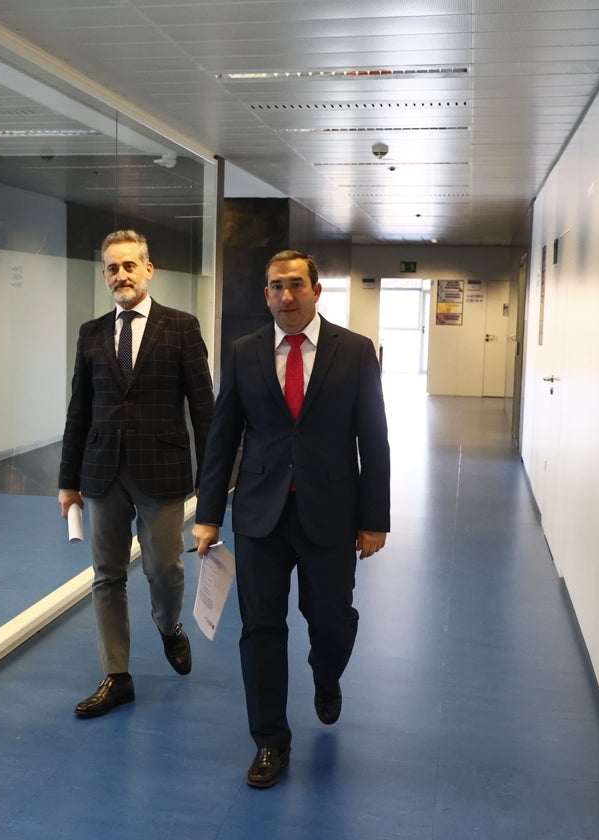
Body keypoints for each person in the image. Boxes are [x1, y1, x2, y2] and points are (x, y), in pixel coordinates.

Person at [191, 249, 390, 788]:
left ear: (316, 290)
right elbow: (223, 437)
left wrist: (375, 519)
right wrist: (208, 514)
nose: (286, 296)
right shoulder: (245, 352)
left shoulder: (353, 352)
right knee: (260, 628)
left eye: (296, 284)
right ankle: (269, 742)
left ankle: (326, 675)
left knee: (330, 620)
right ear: (266, 294)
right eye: (276, 286)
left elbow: (373, 439)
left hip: (330, 513)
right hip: (259, 514)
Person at [59, 229, 215, 718]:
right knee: (106, 576)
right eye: (112, 267)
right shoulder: (90, 333)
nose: (121, 275)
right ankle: (117, 675)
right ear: (105, 275)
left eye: (130, 265)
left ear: (149, 269)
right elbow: (78, 411)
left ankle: (169, 627)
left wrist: (211, 487)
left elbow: (205, 411)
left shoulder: (182, 327)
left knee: (163, 570)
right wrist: (68, 481)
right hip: (102, 471)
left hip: (163, 472)